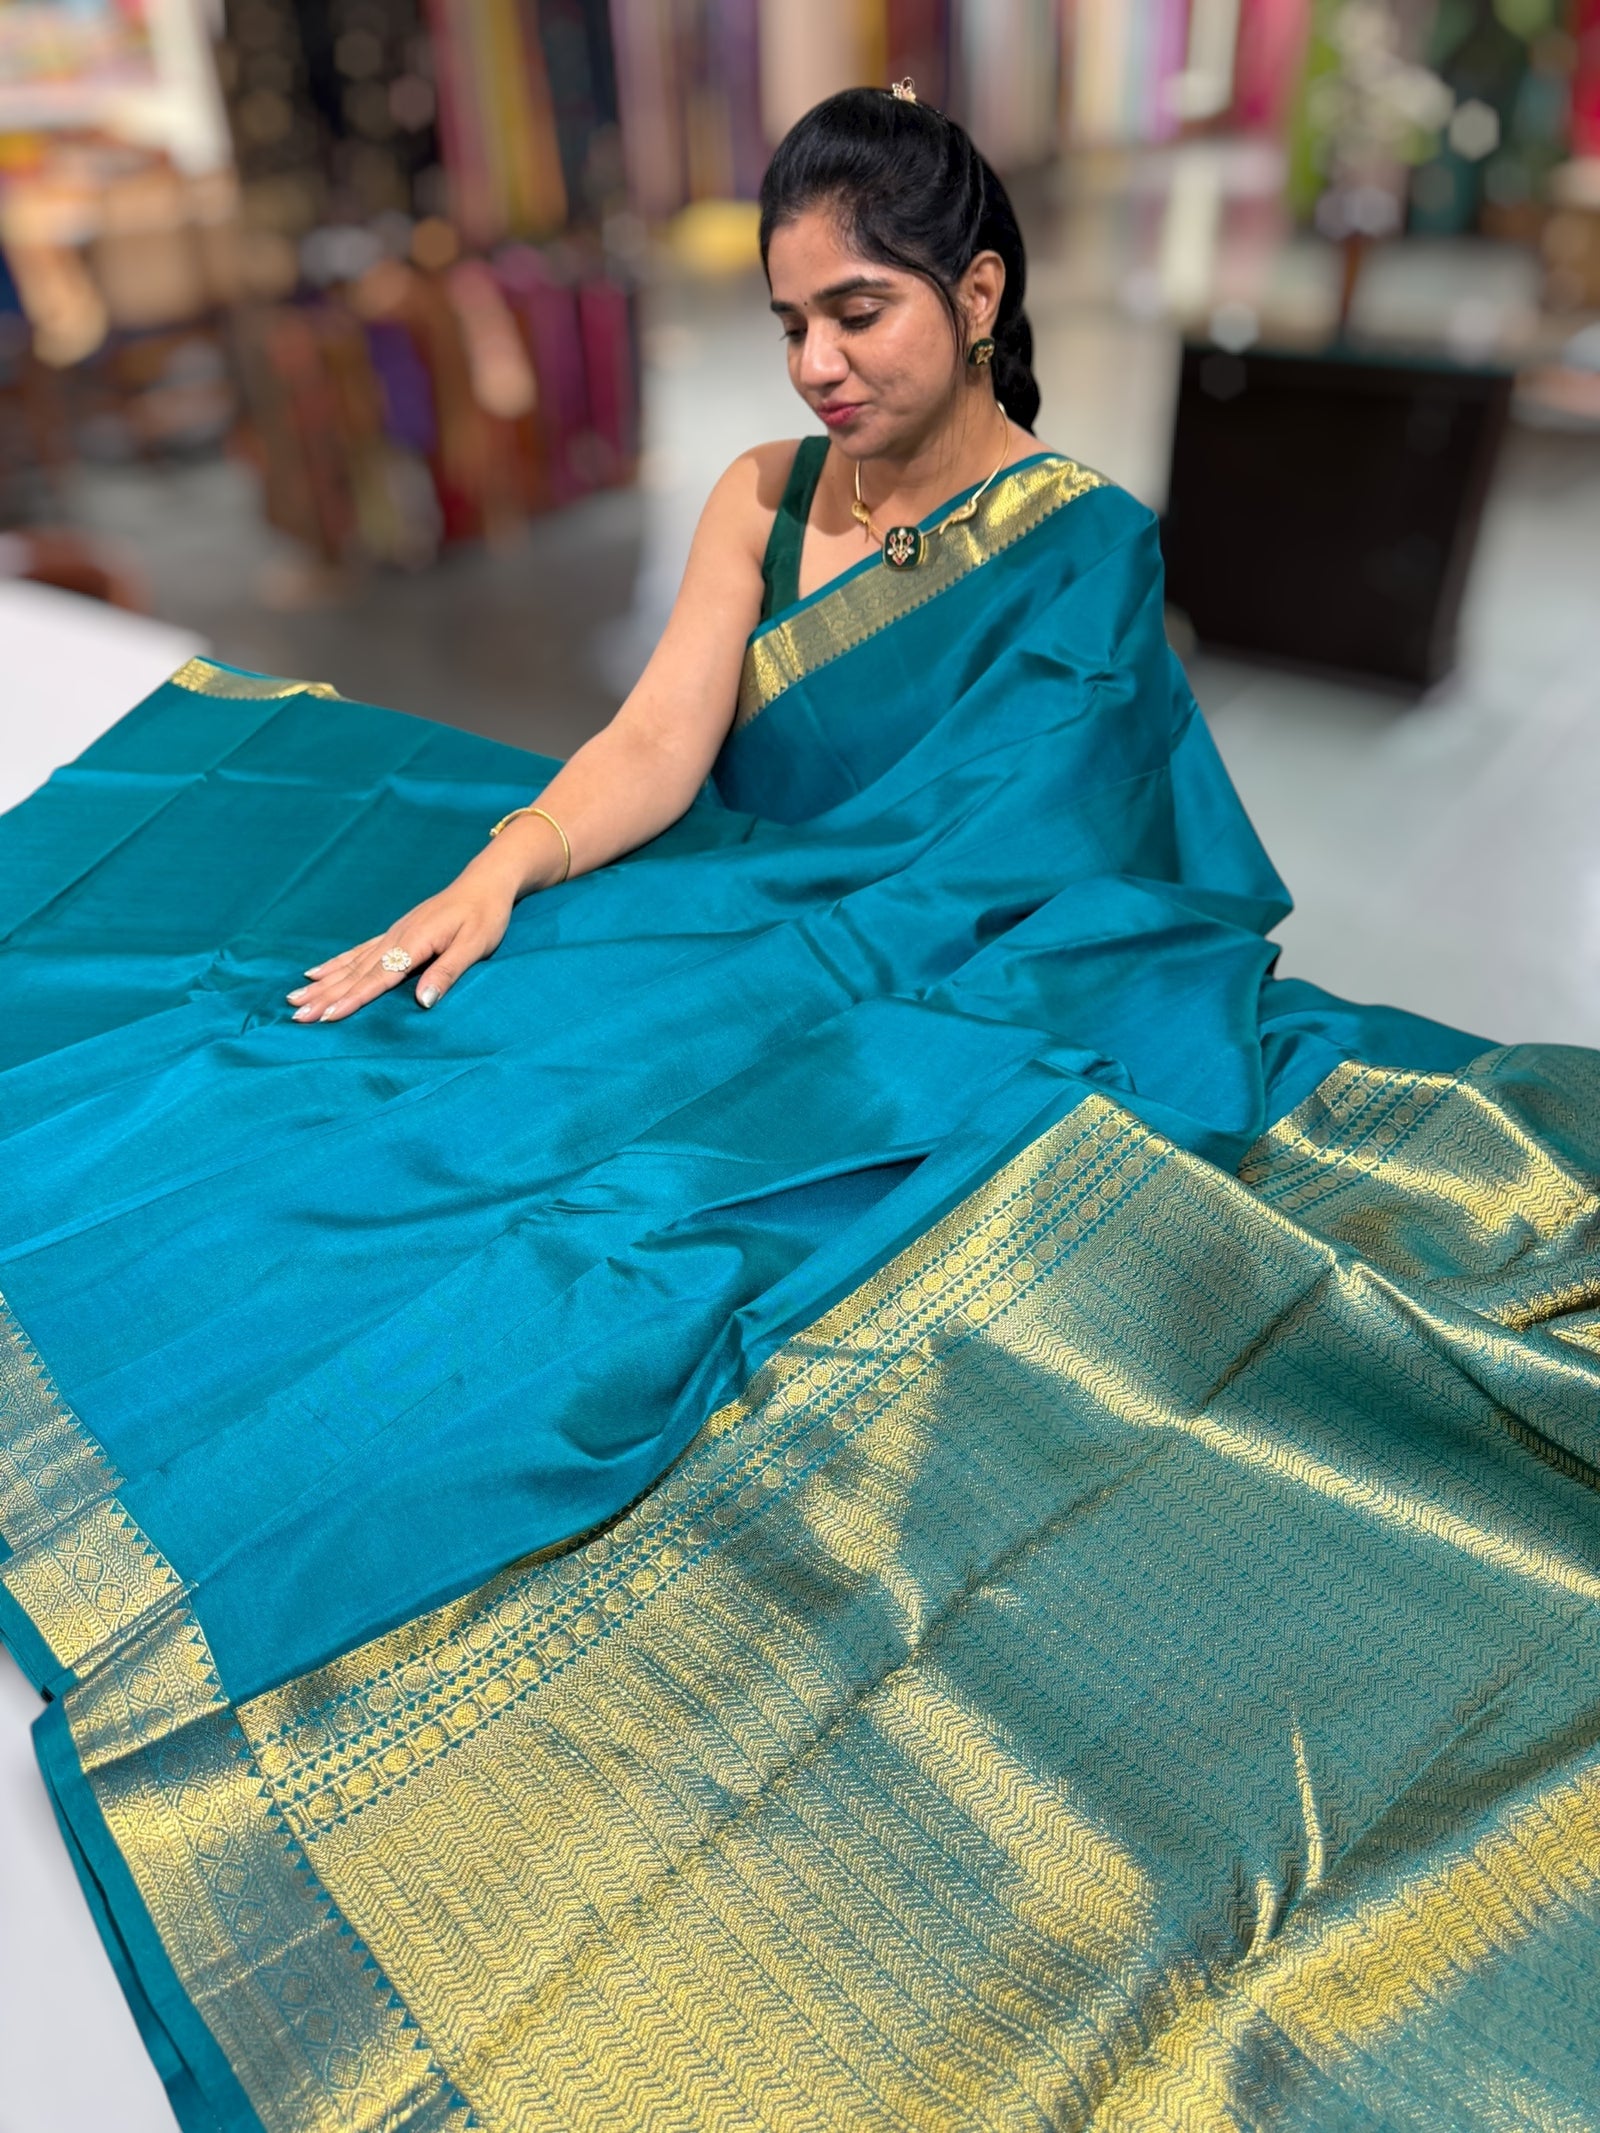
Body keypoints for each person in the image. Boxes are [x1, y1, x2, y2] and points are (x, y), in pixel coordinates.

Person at [3, 85, 1599, 2133]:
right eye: (788, 323)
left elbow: (1075, 876)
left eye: (861, 311)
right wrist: (504, 866)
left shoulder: (1082, 547)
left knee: (676, 1203)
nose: (819, 362)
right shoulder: (763, 493)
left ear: (978, 293)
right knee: (345, 1083)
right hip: (733, 912)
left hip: (945, 982)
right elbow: (664, 736)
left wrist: (883, 991)